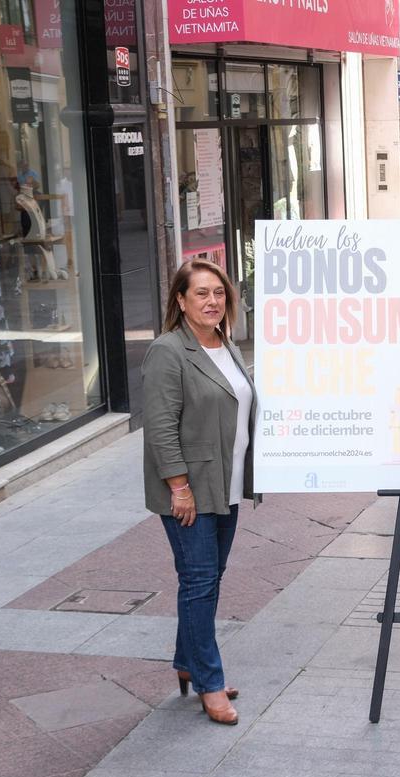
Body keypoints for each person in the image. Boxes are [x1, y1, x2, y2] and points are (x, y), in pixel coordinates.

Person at [142, 258, 256, 727]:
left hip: (226, 484)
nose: (212, 301)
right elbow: (160, 427)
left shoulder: (225, 344)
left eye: (219, 292)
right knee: (200, 581)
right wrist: (179, 487)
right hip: (190, 489)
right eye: (201, 293)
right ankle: (210, 682)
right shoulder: (168, 351)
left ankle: (188, 660)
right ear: (181, 300)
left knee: (206, 578)